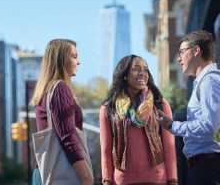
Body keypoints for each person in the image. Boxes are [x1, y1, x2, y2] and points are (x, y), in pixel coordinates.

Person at [99, 55, 178, 185]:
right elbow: (106, 149)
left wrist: (173, 180)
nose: (142, 73)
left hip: (157, 179)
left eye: (146, 70)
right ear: (124, 74)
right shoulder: (108, 108)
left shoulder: (160, 104)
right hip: (123, 181)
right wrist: (107, 180)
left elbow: (169, 146)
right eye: (136, 69)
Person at [157, 30, 220, 185]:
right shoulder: (203, 82)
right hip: (204, 165)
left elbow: (209, 125)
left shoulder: (209, 81)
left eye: (182, 52)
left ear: (196, 50)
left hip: (208, 166)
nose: (179, 58)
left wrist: (172, 125)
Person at [31, 38, 93, 185]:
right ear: (61, 59)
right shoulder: (59, 89)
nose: (78, 62)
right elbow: (67, 136)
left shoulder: (44, 90)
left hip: (43, 172)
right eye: (74, 56)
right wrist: (86, 176)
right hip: (62, 174)